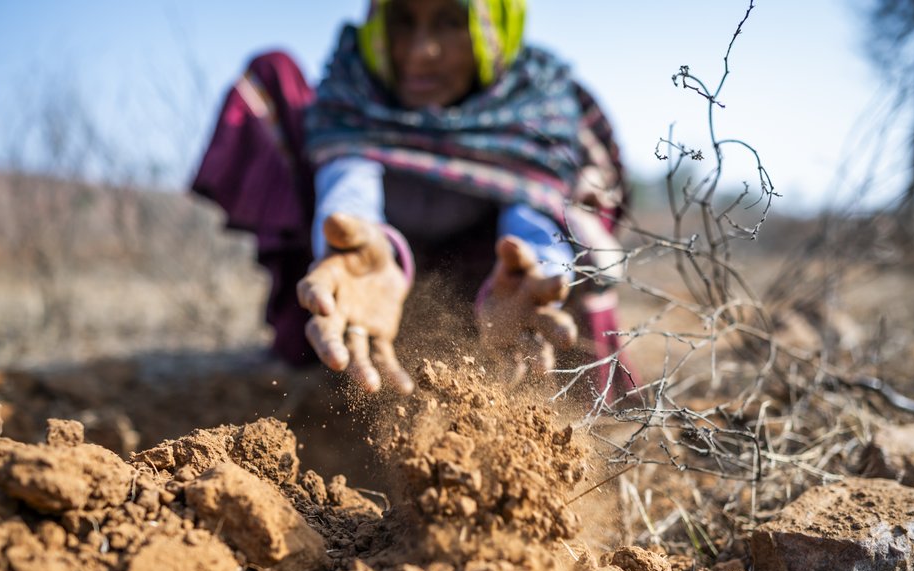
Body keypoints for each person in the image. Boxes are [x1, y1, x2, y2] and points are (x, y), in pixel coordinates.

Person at [192, 0, 637, 398]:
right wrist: (353, 247)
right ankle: (332, 340)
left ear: (493, 24)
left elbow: (532, 206)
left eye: (449, 21)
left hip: (482, 302)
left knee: (575, 166)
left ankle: (533, 346)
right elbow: (349, 180)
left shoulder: (537, 100)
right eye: (403, 20)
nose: (420, 51)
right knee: (273, 73)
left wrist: (537, 272)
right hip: (375, 296)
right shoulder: (352, 89)